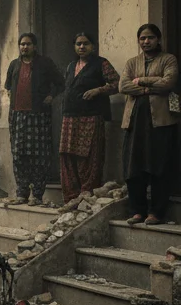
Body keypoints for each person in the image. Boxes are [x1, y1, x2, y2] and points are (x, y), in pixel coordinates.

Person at [120, 24, 178, 225]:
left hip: (160, 122)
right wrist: (149, 87)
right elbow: (123, 86)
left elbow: (168, 83)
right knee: (133, 167)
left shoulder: (168, 59)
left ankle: (156, 212)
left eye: (150, 38)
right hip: (135, 122)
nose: (146, 42)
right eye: (142, 38)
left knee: (159, 166)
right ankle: (138, 210)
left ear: (158, 39)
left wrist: (141, 81)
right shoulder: (131, 62)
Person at [59, 33, 120, 203]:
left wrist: (98, 90)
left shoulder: (101, 63)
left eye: (86, 43)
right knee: (68, 155)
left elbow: (117, 83)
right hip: (70, 117)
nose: (81, 47)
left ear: (93, 46)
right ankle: (71, 197)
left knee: (89, 155)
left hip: (91, 116)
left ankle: (87, 193)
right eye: (78, 44)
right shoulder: (71, 66)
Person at [4, 33, 64, 205]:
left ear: (35, 46)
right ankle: (22, 193)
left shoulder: (45, 64)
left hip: (38, 115)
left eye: (28, 44)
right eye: (22, 44)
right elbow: (8, 86)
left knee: (39, 156)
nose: (25, 47)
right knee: (18, 155)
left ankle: (37, 195)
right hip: (17, 116)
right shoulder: (14, 65)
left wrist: (51, 96)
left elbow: (61, 83)